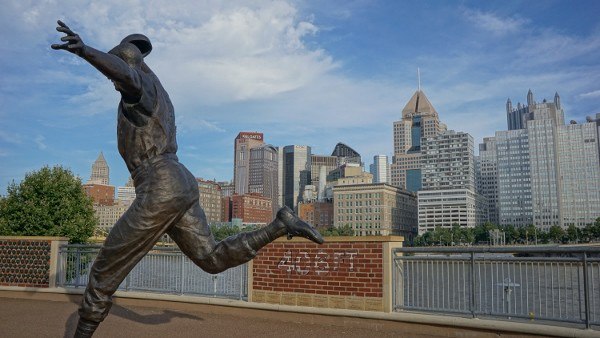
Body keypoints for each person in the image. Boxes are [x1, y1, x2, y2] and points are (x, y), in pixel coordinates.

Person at [51, 20, 324, 338]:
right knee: (211, 258)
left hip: (159, 182)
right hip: (180, 181)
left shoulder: (141, 90)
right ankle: (279, 224)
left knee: (104, 268)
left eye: (117, 68)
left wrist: (86, 51)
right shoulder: (161, 96)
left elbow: (125, 74)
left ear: (129, 63)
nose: (114, 82)